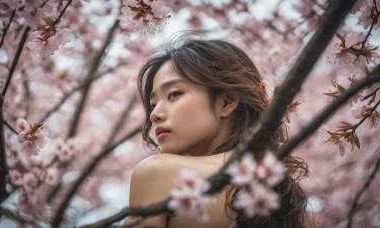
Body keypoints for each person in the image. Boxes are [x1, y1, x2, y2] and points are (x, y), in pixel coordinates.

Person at [124, 36, 311, 227]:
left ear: (227, 102)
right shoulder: (296, 206)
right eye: (152, 105)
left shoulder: (158, 172)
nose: (154, 114)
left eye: (174, 94)